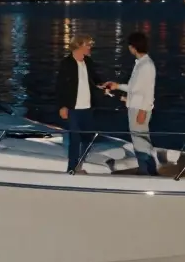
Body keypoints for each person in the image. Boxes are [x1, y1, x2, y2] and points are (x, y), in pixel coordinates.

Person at [103, 32, 158, 176]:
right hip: (134, 106)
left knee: (141, 140)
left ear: (133, 47)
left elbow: (148, 91)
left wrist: (143, 110)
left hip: (140, 109)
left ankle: (146, 170)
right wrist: (117, 86)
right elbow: (135, 87)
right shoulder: (140, 64)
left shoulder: (146, 65)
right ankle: (146, 169)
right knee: (139, 139)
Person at [55, 34, 103, 174]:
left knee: (88, 136)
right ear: (79, 46)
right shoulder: (66, 63)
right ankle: (72, 168)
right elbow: (60, 87)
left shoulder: (88, 62)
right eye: (88, 45)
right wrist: (62, 106)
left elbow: (95, 79)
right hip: (73, 108)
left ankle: (82, 163)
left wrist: (102, 86)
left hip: (88, 107)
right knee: (74, 139)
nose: (90, 48)